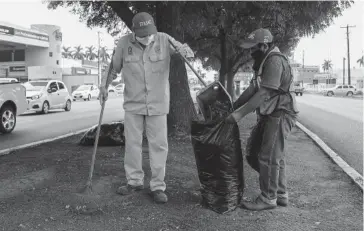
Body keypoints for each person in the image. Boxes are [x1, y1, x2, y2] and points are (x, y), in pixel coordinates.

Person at [99, 12, 194, 204]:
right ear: (134, 31)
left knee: (159, 146)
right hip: (133, 104)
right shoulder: (124, 43)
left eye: (149, 32)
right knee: (132, 144)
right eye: (142, 33)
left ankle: (158, 186)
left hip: (158, 104)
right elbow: (113, 67)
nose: (147, 36)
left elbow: (186, 52)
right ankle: (134, 181)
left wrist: (186, 51)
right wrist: (104, 86)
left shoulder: (164, 39)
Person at [225, 28, 299, 211]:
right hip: (271, 113)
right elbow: (252, 90)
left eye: (253, 48)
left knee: (268, 156)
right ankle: (280, 193)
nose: (250, 52)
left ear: (264, 45)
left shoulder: (274, 61)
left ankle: (268, 198)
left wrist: (238, 116)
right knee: (261, 154)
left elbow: (264, 93)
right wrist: (233, 106)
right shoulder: (263, 62)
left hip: (281, 113)